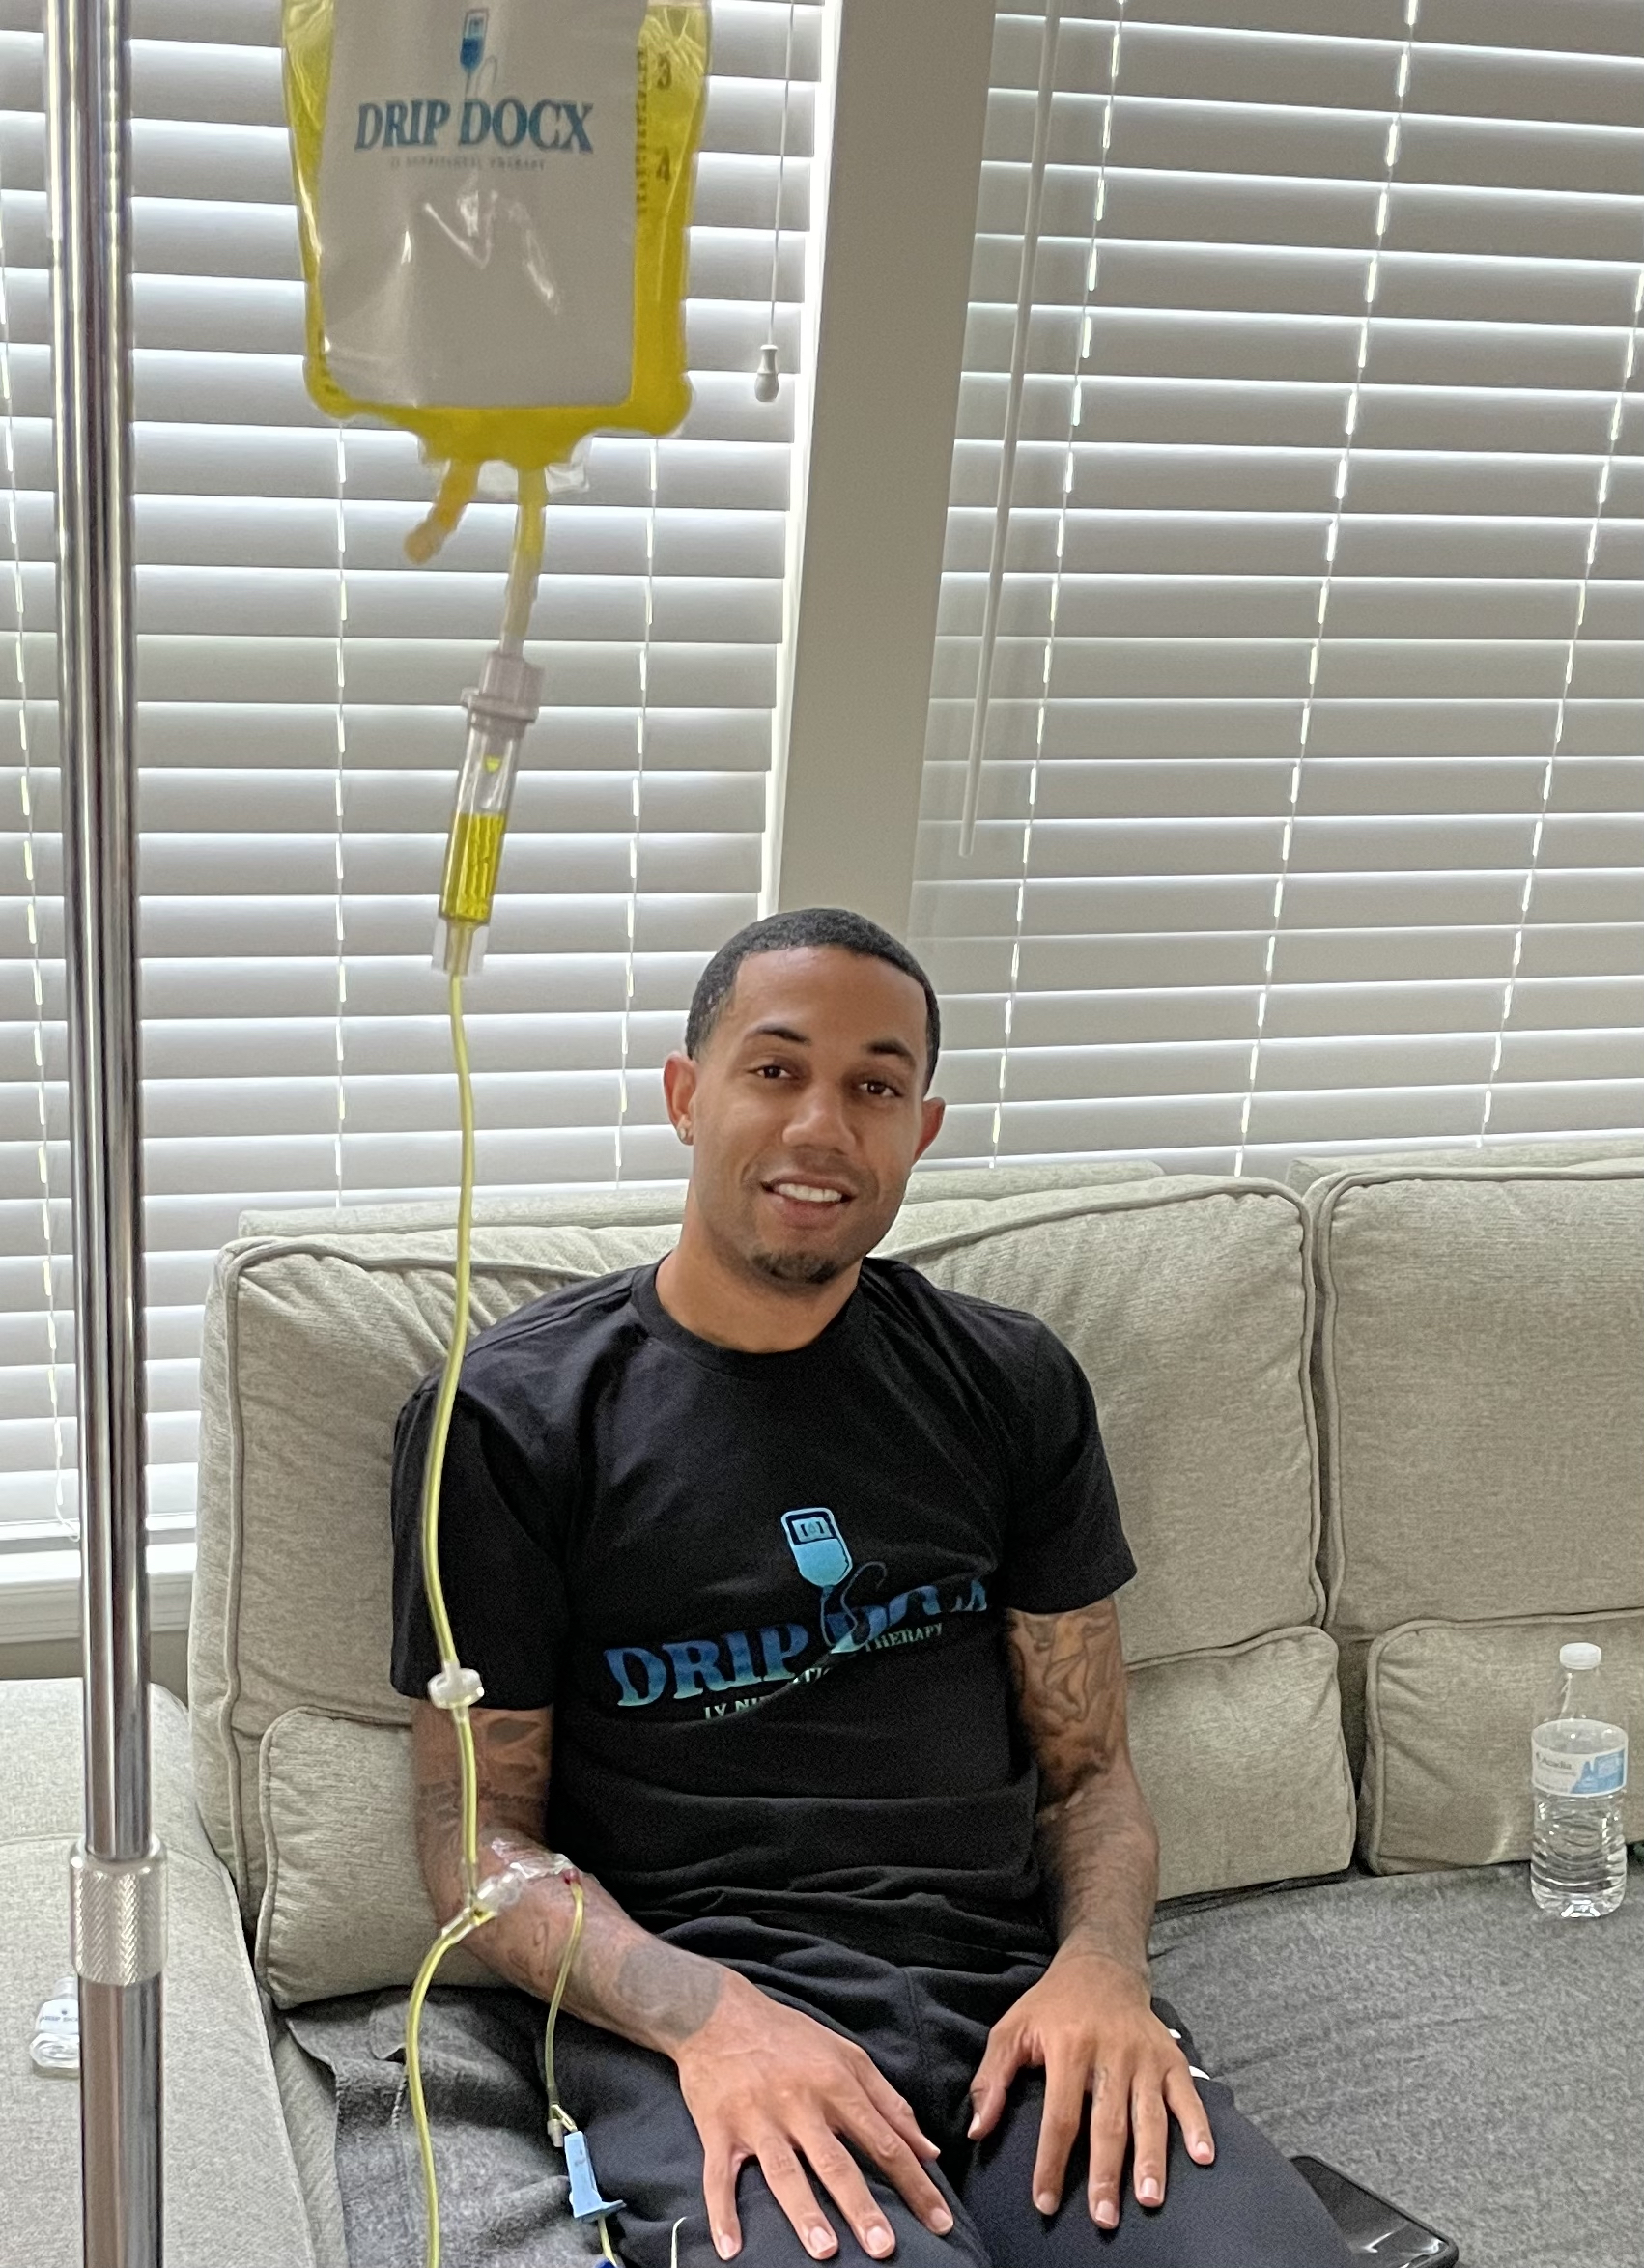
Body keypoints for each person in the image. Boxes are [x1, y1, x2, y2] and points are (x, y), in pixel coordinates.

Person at [390, 907, 1355, 2267]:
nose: (821, 1126)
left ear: (922, 1128)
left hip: (1017, 2002)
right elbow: (477, 1842)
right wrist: (708, 2020)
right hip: (699, 2021)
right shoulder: (505, 1420)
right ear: (686, 1096)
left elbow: (1089, 1777)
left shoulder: (1008, 1382)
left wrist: (1101, 1968)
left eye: (874, 1087)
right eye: (775, 1070)